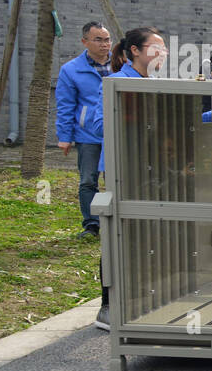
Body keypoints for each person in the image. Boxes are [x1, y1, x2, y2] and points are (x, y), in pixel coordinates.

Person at [93, 27, 168, 333]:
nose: (162, 54)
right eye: (156, 48)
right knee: (118, 235)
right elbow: (101, 125)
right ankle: (107, 306)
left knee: (147, 235)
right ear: (135, 51)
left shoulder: (153, 84)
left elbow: (169, 121)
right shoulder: (116, 83)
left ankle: (141, 299)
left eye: (164, 50)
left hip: (150, 168)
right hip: (123, 170)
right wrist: (142, 117)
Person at [55, 21, 112, 239]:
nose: (104, 44)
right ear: (84, 41)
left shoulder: (120, 65)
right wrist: (65, 137)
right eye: (98, 39)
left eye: (107, 39)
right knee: (88, 180)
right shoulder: (71, 70)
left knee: (117, 179)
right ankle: (91, 225)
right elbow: (66, 105)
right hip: (88, 135)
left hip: (116, 132)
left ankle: (116, 222)